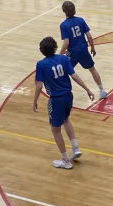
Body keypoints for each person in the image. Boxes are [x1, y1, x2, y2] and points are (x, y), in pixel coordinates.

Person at [32, 36, 95, 170]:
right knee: (66, 120)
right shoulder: (63, 58)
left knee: (55, 130)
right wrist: (87, 89)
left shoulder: (41, 64)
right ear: (55, 47)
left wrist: (35, 100)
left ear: (41, 51)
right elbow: (74, 76)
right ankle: (75, 147)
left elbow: (38, 86)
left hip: (56, 100)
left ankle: (65, 160)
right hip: (68, 97)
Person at [59, 2, 108, 100]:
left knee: (64, 71)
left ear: (64, 11)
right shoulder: (80, 20)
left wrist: (60, 53)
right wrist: (93, 48)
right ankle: (102, 90)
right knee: (92, 69)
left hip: (72, 53)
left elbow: (66, 43)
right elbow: (89, 36)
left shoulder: (64, 25)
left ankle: (63, 92)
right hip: (83, 50)